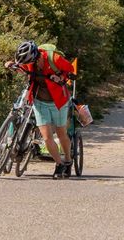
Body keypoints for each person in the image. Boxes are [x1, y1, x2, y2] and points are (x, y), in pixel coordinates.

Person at [7, 40, 80, 179]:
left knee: (61, 133)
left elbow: (70, 69)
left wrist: (61, 77)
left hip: (58, 101)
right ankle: (59, 164)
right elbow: (20, 66)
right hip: (39, 101)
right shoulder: (28, 61)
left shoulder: (54, 58)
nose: (29, 64)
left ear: (36, 56)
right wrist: (10, 64)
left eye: (30, 61)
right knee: (47, 137)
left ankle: (68, 160)